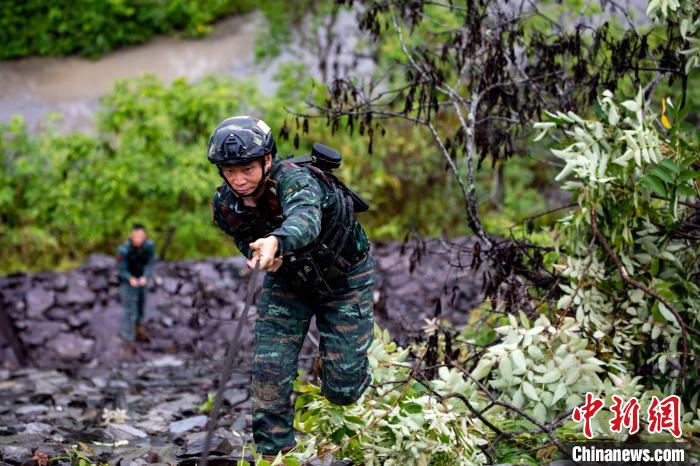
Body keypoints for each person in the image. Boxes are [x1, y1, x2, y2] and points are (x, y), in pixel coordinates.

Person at [209, 116, 375, 459]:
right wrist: (258, 253)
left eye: (247, 169)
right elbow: (241, 235)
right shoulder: (226, 203)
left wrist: (276, 242)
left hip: (344, 279)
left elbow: (305, 219)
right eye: (229, 171)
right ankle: (274, 456)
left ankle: (336, 363)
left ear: (267, 160)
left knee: (343, 388)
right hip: (289, 283)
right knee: (269, 372)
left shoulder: (296, 180)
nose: (238, 179)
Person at [116, 224, 156, 345]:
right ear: (131, 236)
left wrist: (146, 276)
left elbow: (150, 263)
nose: (138, 239)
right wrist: (129, 278)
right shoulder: (123, 249)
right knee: (130, 309)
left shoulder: (149, 246)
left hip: (141, 278)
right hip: (127, 281)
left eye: (141, 236)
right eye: (136, 236)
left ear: (145, 236)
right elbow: (121, 269)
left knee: (141, 305)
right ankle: (128, 337)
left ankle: (138, 328)